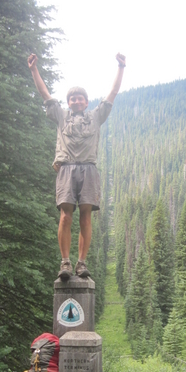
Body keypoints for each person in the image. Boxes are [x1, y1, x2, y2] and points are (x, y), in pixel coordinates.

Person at [28, 52, 126, 279]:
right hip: (66, 169)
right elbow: (45, 95)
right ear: (68, 102)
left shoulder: (96, 116)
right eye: (73, 99)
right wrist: (34, 70)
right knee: (65, 215)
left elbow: (112, 94)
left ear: (86, 101)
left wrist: (120, 68)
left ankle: (81, 263)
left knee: (86, 216)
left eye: (80, 98)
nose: (77, 101)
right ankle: (65, 263)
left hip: (89, 169)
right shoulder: (61, 116)